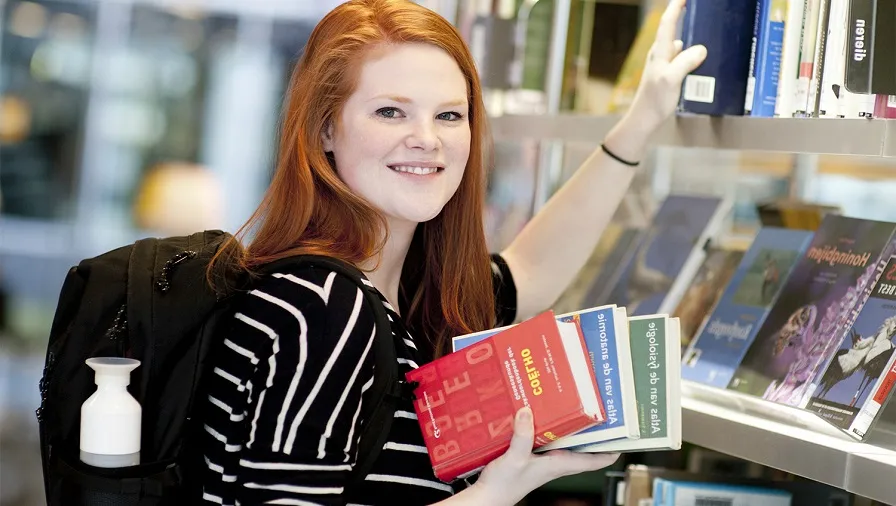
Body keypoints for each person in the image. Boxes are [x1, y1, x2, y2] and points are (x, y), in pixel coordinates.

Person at [198, 0, 707, 504]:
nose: (427, 139)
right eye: (391, 111)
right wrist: (497, 492)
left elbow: (529, 271)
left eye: (448, 115)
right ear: (325, 128)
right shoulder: (325, 307)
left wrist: (640, 122)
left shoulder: (408, 290)